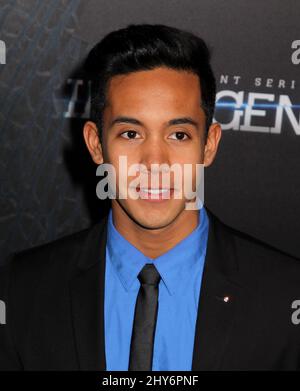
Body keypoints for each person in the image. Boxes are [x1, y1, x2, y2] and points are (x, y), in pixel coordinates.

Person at [0, 24, 300, 371]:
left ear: (210, 145)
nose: (154, 163)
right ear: (96, 145)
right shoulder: (21, 291)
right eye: (130, 133)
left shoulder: (285, 297)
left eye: (178, 134)